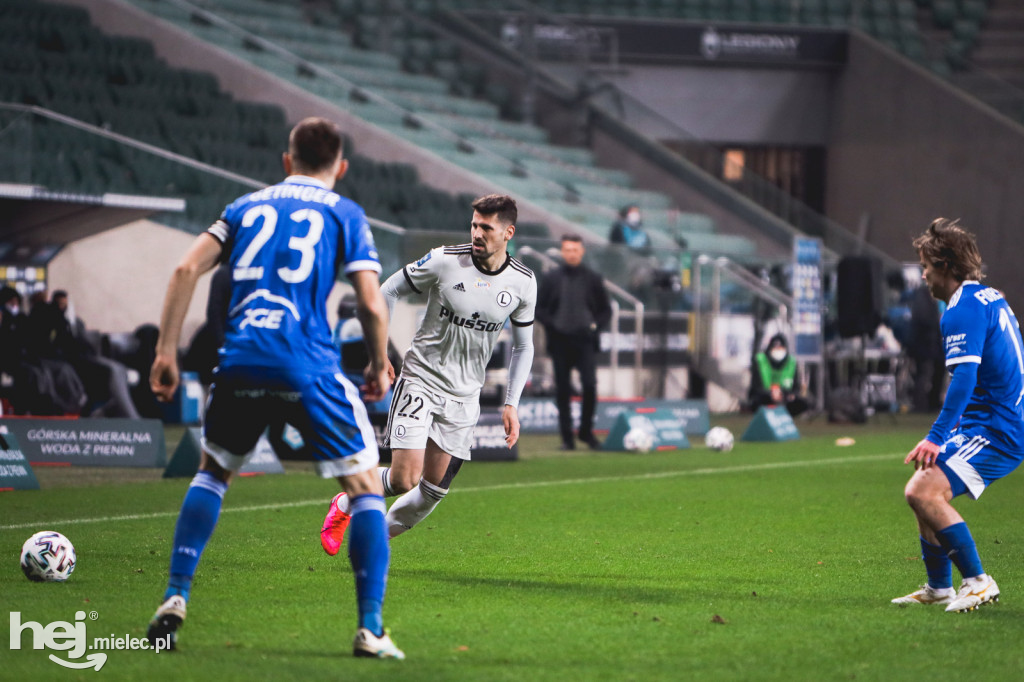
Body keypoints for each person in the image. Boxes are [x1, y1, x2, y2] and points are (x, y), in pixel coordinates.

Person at [146, 117, 404, 659]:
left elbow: (183, 270)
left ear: (286, 161)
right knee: (364, 490)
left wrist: (166, 351)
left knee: (213, 472)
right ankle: (370, 628)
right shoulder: (345, 213)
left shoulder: (242, 208)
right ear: (341, 167)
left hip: (239, 361)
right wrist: (381, 364)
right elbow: (371, 302)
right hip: (307, 366)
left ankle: (174, 596)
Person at [319, 193, 536, 547]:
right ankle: (345, 502)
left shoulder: (523, 282)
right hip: (421, 379)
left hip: (465, 394)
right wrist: (381, 353)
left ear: (508, 232)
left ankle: (375, 540)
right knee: (405, 479)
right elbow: (387, 290)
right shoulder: (444, 261)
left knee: (433, 490)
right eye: (474, 225)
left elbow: (523, 346)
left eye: (487, 228)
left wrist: (511, 403)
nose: (477, 233)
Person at [894, 218, 1024, 613]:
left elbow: (965, 378)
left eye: (926, 267)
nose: (923, 275)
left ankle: (978, 581)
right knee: (922, 486)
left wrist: (935, 435)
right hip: (994, 420)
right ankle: (939, 587)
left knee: (922, 490)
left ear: (945, 266)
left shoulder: (960, 310)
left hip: (998, 428)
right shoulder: (986, 296)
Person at [536, 234, 612, 450]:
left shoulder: (593, 278)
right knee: (562, 390)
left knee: (589, 385)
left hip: (585, 341)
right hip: (559, 341)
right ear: (562, 251)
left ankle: (586, 432)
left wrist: (594, 326)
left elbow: (605, 310)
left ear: (582, 251)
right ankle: (567, 438)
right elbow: (539, 309)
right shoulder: (551, 278)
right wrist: (553, 325)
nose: (571, 253)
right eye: (567, 250)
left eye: (575, 250)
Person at [750, 333, 808, 418]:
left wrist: (787, 394)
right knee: (757, 401)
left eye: (780, 348)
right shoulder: (761, 360)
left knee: (802, 402)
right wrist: (771, 393)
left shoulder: (791, 363)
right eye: (775, 348)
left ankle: (786, 415)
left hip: (785, 398)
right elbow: (755, 388)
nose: (778, 351)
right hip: (766, 398)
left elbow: (796, 388)